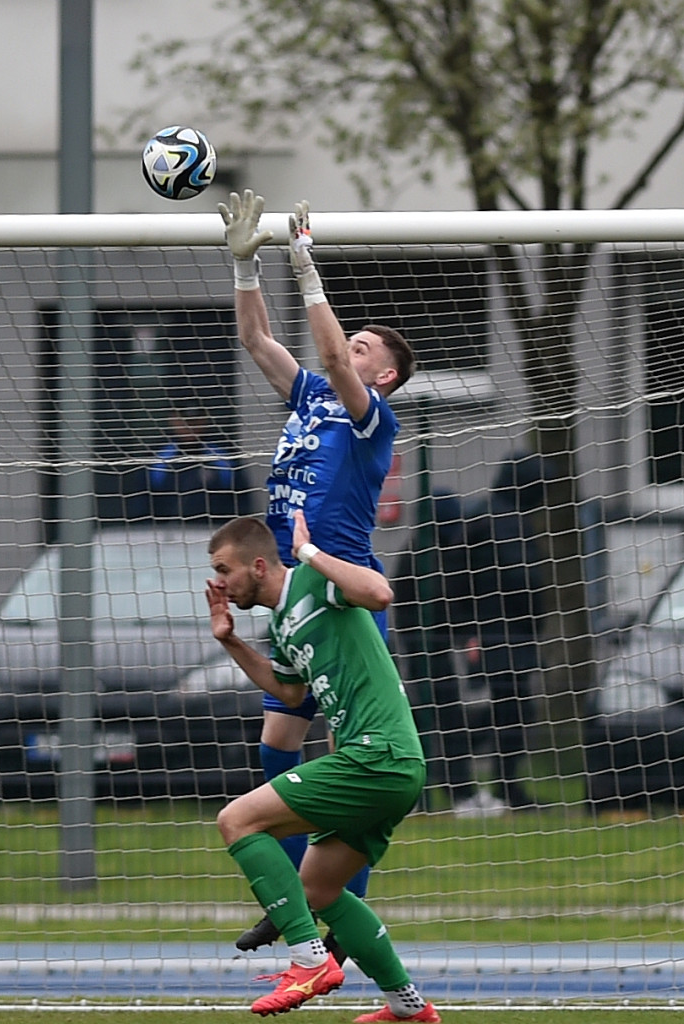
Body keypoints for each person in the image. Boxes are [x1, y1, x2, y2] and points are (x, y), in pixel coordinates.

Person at [217, 190, 416, 951]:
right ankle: (306, 899)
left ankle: (321, 911)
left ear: (386, 378)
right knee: (278, 740)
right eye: (355, 341)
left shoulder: (372, 418)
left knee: (349, 759)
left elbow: (331, 356)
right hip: (294, 584)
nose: (353, 348)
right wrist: (245, 264)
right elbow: (256, 337)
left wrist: (307, 268)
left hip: (341, 585)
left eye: (370, 349)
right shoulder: (308, 398)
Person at [207, 512, 439, 1023]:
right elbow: (290, 691)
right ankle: (407, 1007)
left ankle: (308, 960)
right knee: (319, 889)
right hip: (388, 764)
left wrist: (310, 552)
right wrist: (229, 639)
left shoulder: (314, 580)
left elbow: (379, 594)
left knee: (238, 820)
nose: (218, 581)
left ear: (260, 566)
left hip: (377, 756)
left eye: (224, 569)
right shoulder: (280, 624)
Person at [394, 452, 553, 817]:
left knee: (506, 710)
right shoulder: (483, 525)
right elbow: (449, 588)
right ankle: (462, 778)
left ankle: (480, 778)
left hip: (487, 637)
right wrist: (468, 632)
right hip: (477, 639)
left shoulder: (499, 521)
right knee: (482, 711)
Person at [147, 403, 253, 522]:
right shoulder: (157, 457)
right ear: (172, 420)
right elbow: (142, 500)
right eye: (184, 422)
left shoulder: (223, 457)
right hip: (164, 534)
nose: (189, 428)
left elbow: (240, 501)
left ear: (205, 420)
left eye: (195, 422)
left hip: (213, 530)